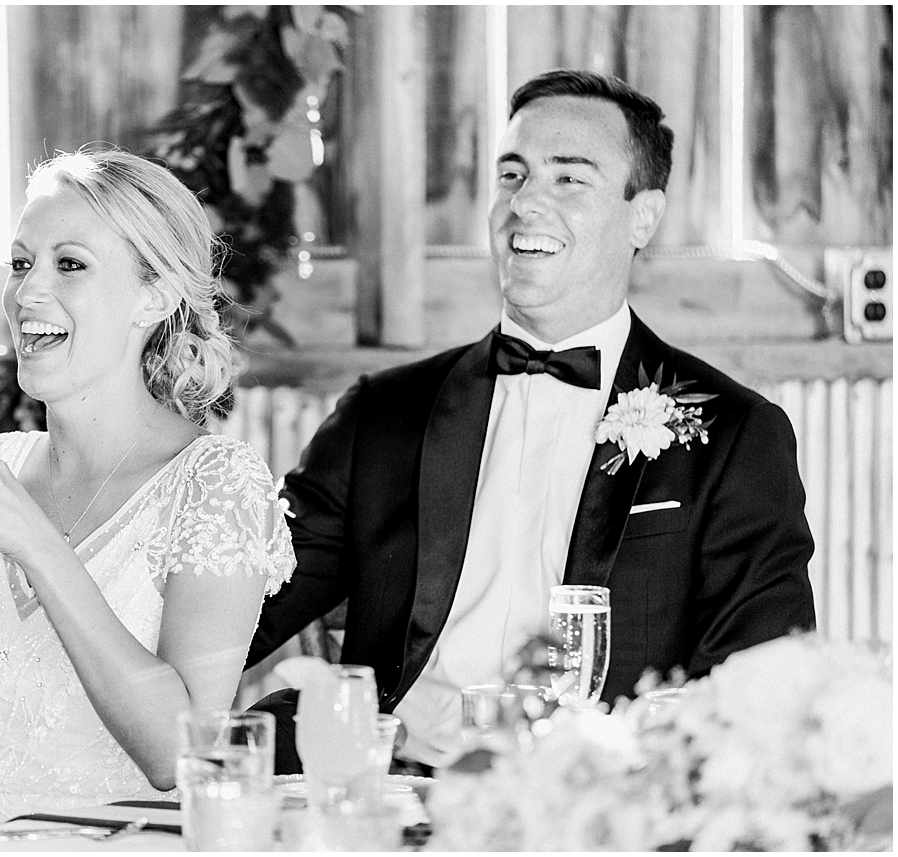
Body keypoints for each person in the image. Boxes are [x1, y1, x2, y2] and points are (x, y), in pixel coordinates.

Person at [246, 69, 815, 773]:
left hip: (594, 803)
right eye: (512, 175)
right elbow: (244, 599)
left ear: (643, 217)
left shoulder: (735, 435)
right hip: (393, 787)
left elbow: (761, 679)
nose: (524, 203)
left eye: (569, 179)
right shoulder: (383, 416)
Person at [0, 146, 295, 849]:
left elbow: (177, 756)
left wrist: (36, 544)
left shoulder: (216, 486)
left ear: (154, 296)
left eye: (70, 264)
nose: (27, 292)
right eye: (20, 263)